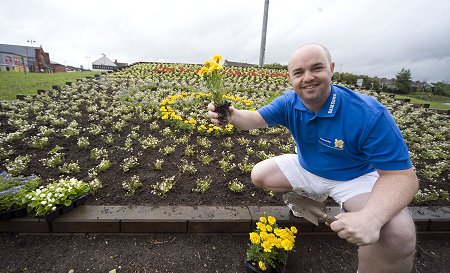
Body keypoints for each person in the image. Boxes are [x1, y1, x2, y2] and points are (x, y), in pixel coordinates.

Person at [207, 43, 418, 273]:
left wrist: (372, 217)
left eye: (316, 68)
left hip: (353, 179)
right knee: (260, 174)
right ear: (290, 78)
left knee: (398, 236)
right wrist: (232, 115)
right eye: (298, 72)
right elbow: (255, 119)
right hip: (308, 167)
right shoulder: (290, 102)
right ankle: (310, 199)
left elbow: (402, 177)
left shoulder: (367, 113)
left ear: (331, 69)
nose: (307, 78)